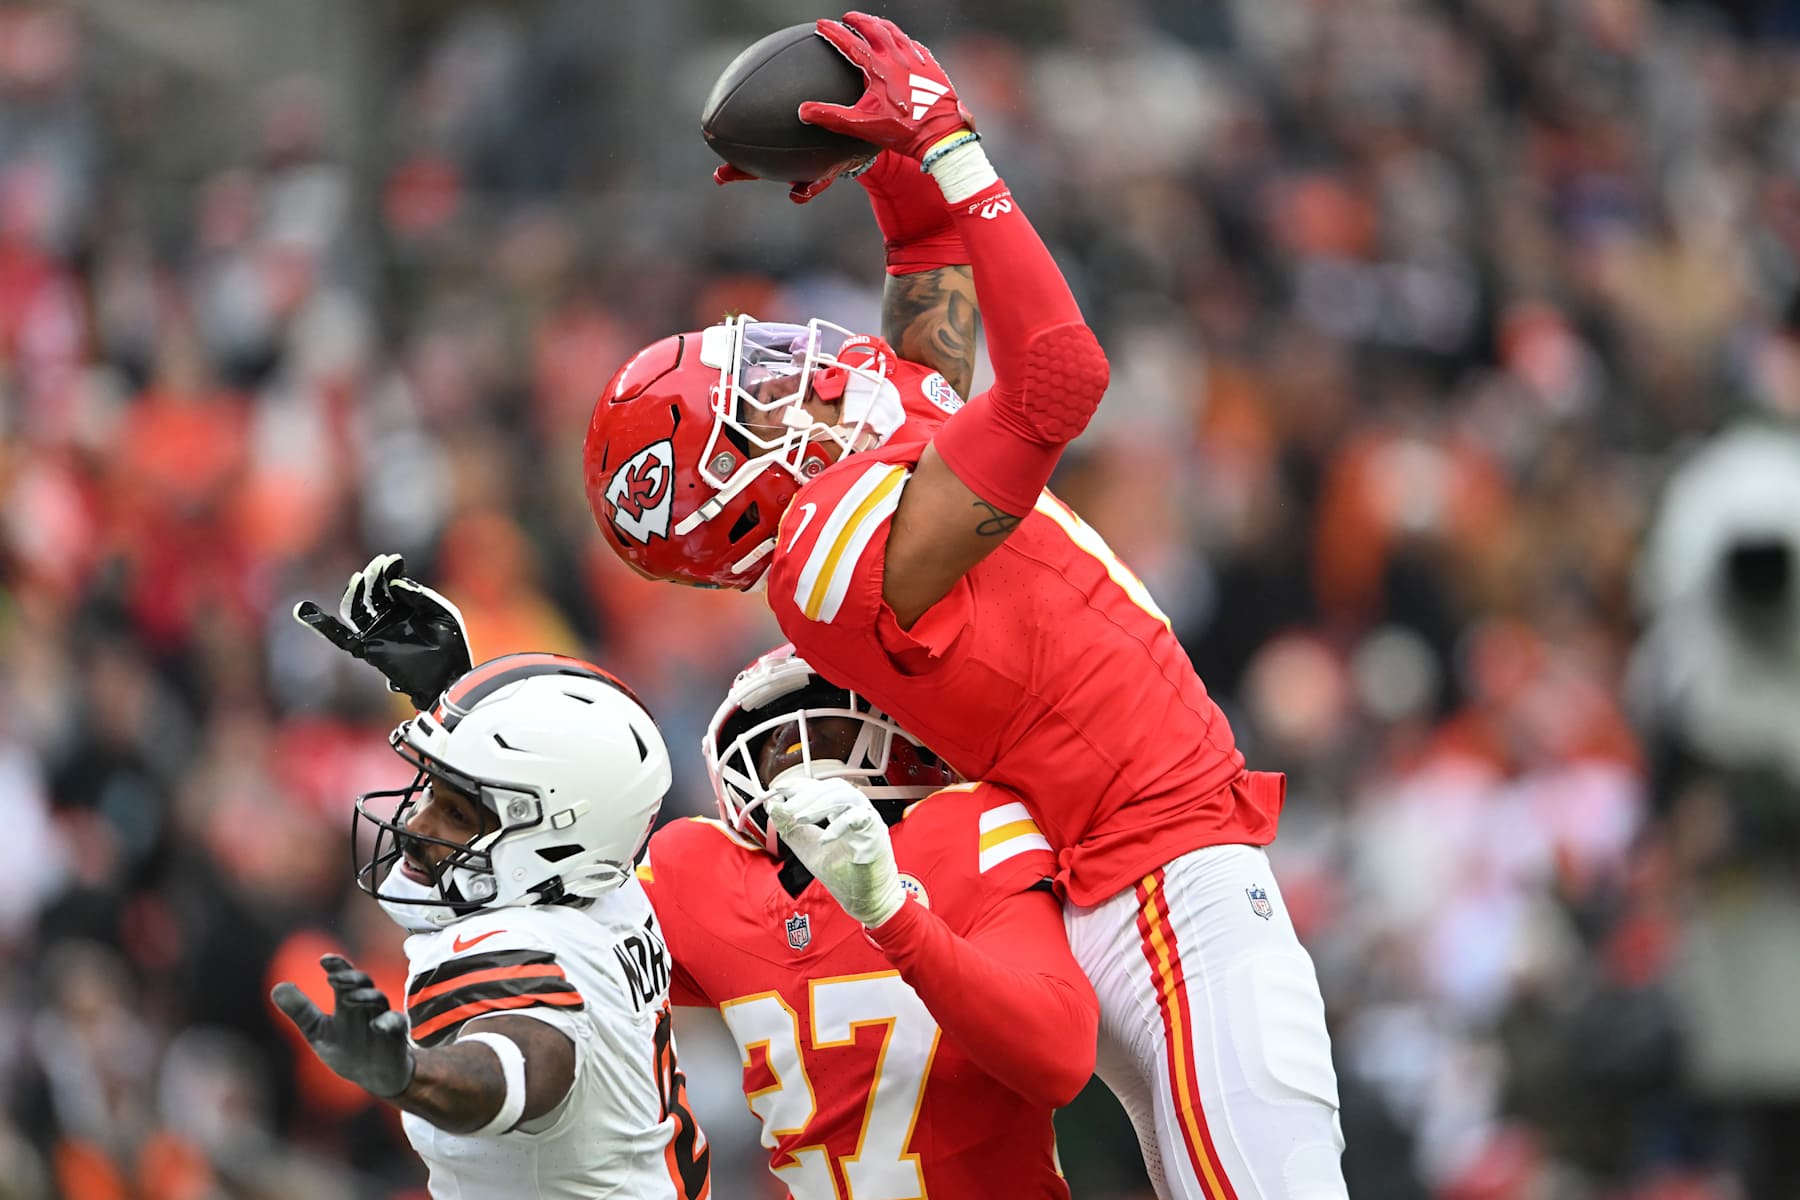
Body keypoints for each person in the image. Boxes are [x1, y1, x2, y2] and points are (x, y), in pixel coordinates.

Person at [580, 12, 1346, 1199]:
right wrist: (948, 137)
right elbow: (1060, 377)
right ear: (736, 495)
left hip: (1129, 866)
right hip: (1157, 869)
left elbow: (928, 279)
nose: (792, 372)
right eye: (756, 396)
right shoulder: (830, 558)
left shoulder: (860, 496)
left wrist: (873, 153)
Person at [296, 556, 1099, 1198]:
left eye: (815, 732)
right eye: (775, 738)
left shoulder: (976, 832)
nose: (785, 759)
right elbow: (550, 860)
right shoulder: (701, 872)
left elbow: (1059, 1057)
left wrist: (891, 913)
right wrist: (468, 705)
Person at [269, 641, 710, 1200]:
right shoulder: (609, 886)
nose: (412, 824)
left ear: (550, 839)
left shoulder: (509, 940)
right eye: (433, 791)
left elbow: (527, 1062)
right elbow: (552, 778)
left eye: (453, 812)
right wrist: (458, 690)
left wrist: (411, 1074)